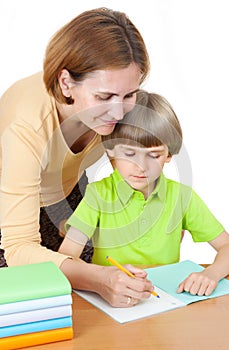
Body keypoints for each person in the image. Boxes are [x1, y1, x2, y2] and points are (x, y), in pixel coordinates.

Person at [0, 8, 155, 307]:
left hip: (65, 191)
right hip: (9, 210)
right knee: (29, 303)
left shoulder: (115, 100)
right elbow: (18, 248)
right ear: (66, 83)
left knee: (89, 302)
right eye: (104, 97)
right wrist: (97, 278)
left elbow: (134, 165)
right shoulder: (25, 125)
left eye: (129, 94)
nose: (119, 111)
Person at [59, 90, 229, 298]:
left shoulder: (181, 196)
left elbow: (228, 246)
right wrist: (103, 278)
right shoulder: (98, 195)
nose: (141, 167)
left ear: (168, 155)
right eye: (129, 153)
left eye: (154, 155)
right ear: (111, 151)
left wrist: (210, 274)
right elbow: (66, 259)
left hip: (166, 300)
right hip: (113, 299)